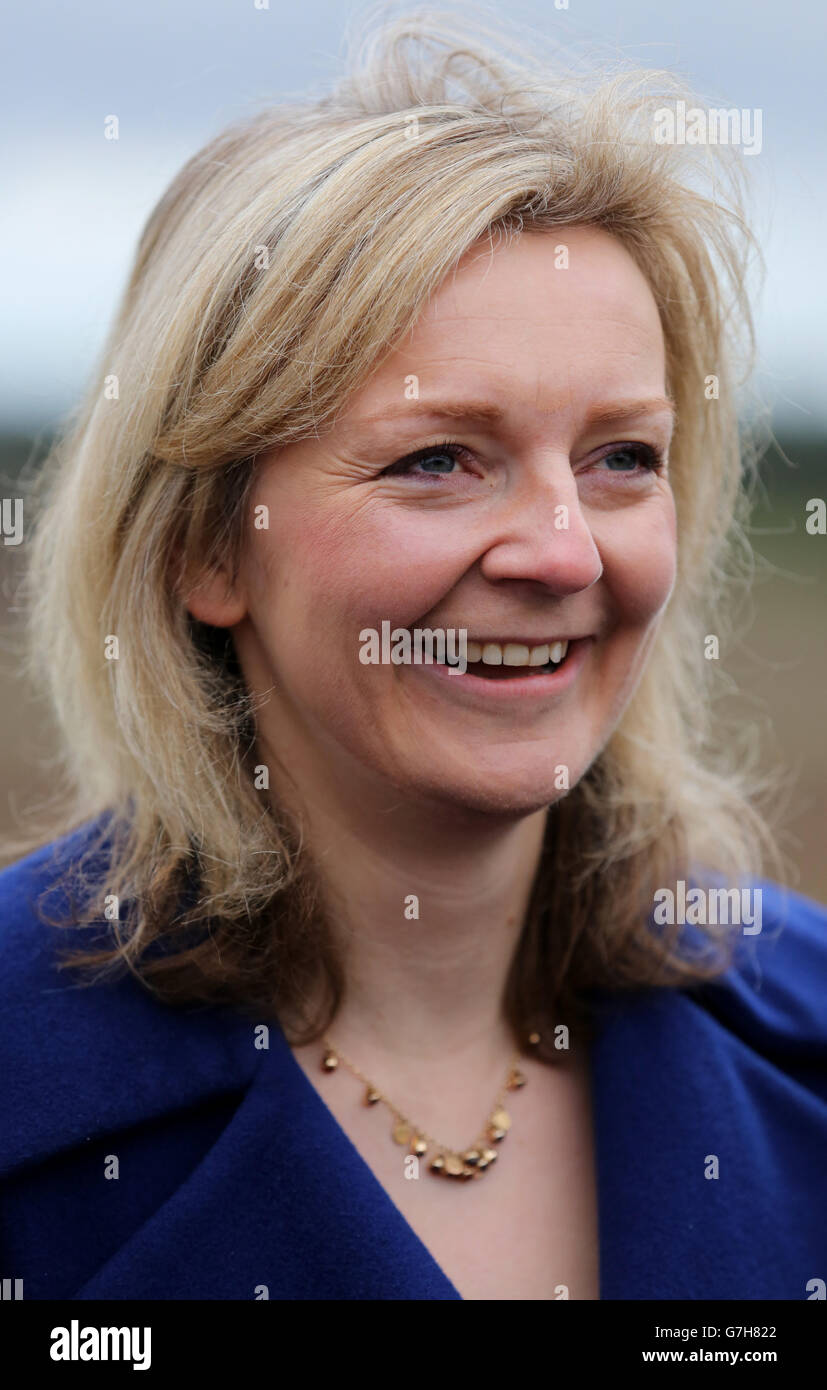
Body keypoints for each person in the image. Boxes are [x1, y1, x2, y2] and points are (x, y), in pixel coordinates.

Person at [1, 6, 825, 1301]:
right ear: (204, 550)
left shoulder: (803, 1039)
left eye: (623, 458)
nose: (564, 552)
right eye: (439, 459)